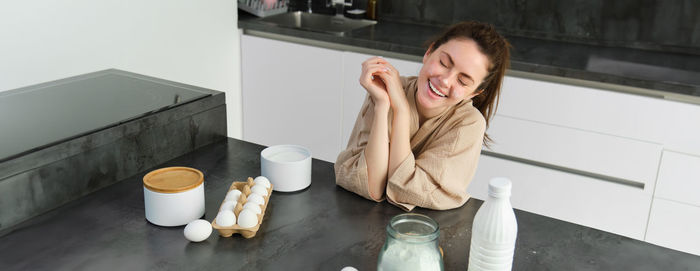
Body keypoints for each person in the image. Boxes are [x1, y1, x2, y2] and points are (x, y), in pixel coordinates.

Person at [334, 21, 511, 211]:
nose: (444, 80)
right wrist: (383, 105)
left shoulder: (469, 124)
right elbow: (369, 185)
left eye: (462, 80)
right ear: (429, 53)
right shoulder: (385, 90)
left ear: (474, 93)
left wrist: (401, 110)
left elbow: (407, 190)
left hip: (423, 232)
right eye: (443, 63)